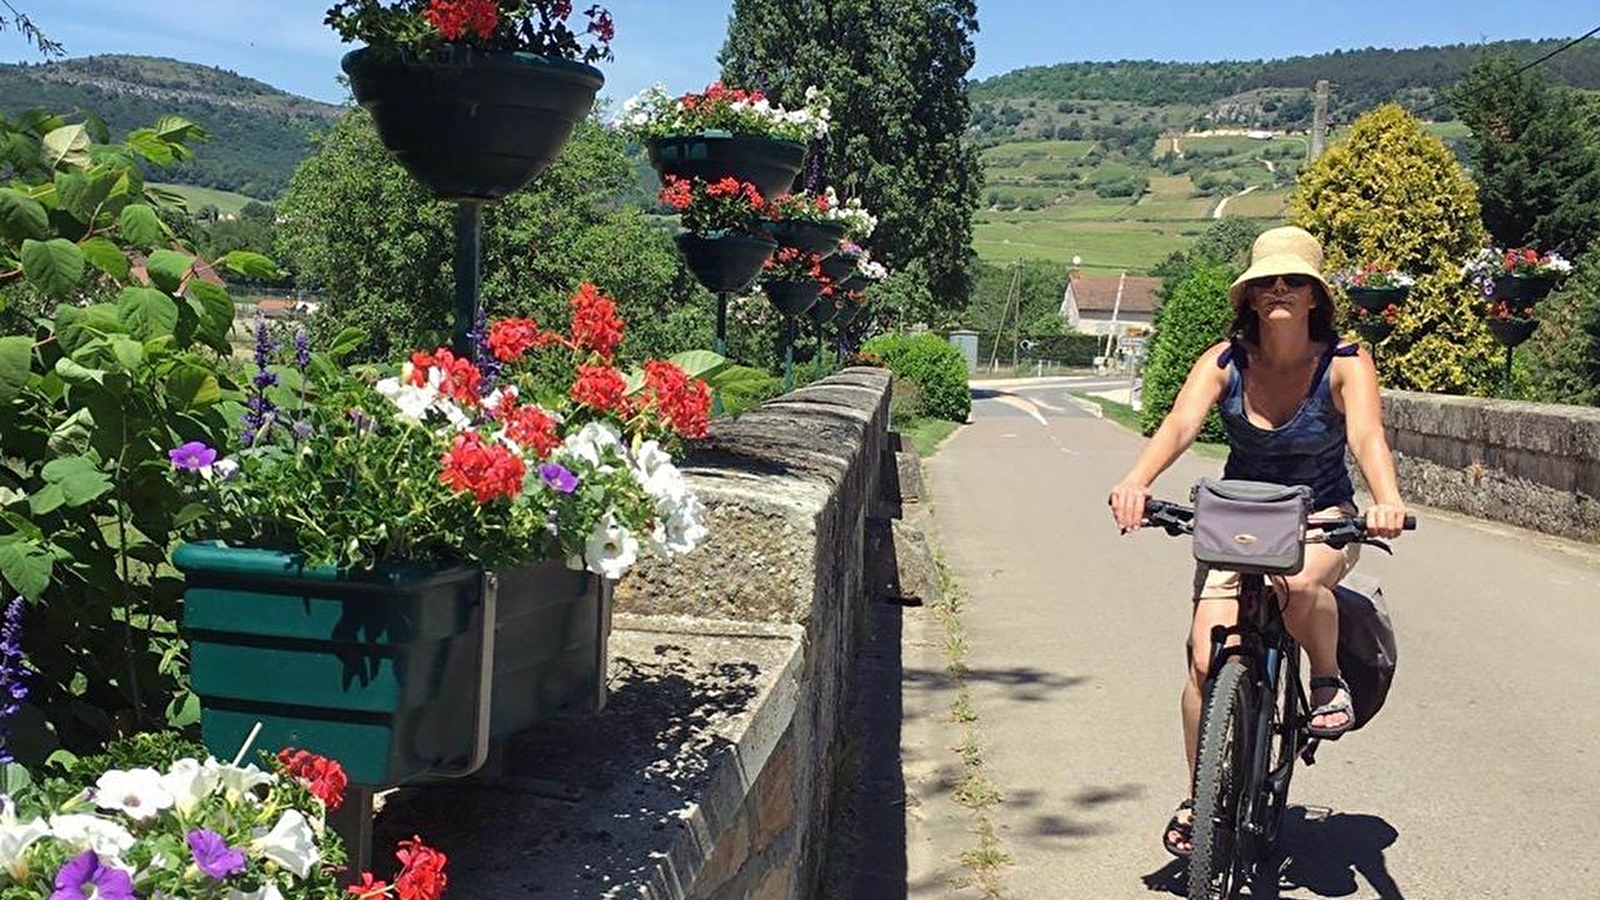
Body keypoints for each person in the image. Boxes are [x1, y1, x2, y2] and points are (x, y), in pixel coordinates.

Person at [1105, 226, 1409, 858]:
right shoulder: (1225, 362)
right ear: (1248, 297)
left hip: (1321, 516)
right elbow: (1182, 423)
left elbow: (1368, 437)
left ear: (1314, 297)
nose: (1279, 289)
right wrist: (1136, 481)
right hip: (1241, 518)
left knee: (1300, 586)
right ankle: (1198, 796)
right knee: (1202, 659)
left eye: (1294, 280)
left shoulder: (1345, 362)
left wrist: (1385, 499)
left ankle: (1325, 680)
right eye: (1266, 281)